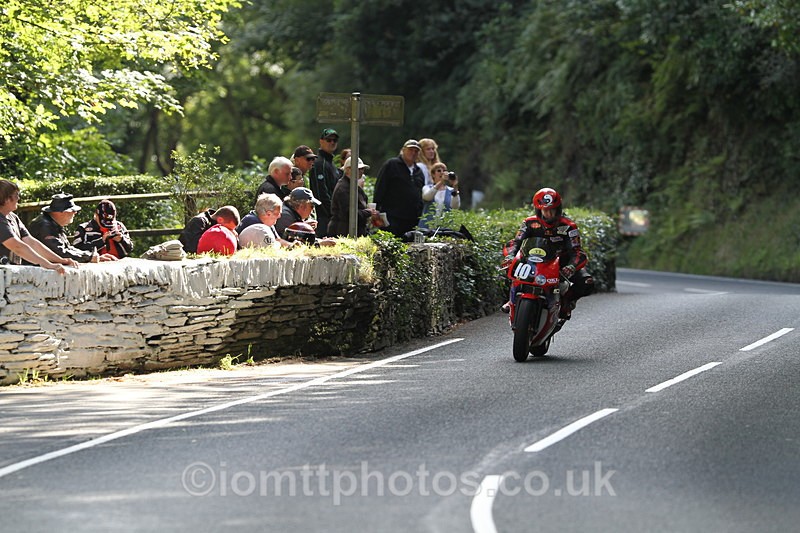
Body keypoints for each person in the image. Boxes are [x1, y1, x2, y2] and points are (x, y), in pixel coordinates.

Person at [502, 187, 594, 319]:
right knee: (510, 268)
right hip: (533, 261)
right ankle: (511, 300)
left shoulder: (569, 226)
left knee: (587, 282)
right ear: (539, 210)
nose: (549, 214)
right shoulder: (529, 223)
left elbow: (577, 251)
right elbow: (515, 243)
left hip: (561, 263)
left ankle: (567, 301)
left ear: (559, 208)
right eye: (545, 210)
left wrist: (571, 267)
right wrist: (510, 256)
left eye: (553, 210)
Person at [0, 180, 78, 274]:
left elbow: (31, 243)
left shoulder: (12, 217)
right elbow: (17, 246)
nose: (18, 198)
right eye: (16, 195)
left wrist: (61, 260)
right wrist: (46, 264)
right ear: (6, 199)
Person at [29, 193, 117, 263]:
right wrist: (89, 257)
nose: (75, 213)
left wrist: (90, 255)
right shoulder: (45, 226)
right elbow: (60, 252)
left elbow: (67, 248)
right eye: (72, 211)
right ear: (62, 213)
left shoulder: (52, 222)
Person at [373, 139, 425, 238]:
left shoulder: (419, 171)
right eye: (410, 150)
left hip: (412, 219)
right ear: (403, 150)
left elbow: (419, 194)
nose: (413, 153)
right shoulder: (391, 165)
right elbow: (380, 187)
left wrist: (419, 212)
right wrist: (376, 210)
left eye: (416, 151)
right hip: (392, 217)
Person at [328, 157, 378, 237]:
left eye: (362, 169)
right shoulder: (343, 188)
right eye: (358, 169)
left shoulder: (352, 185)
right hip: (342, 233)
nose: (361, 171)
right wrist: (368, 212)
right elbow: (349, 213)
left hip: (350, 231)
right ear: (348, 170)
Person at [309, 128, 340, 238]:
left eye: (334, 140)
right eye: (329, 140)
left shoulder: (331, 164)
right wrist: (332, 213)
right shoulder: (319, 163)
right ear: (321, 141)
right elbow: (320, 193)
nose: (332, 142)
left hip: (333, 218)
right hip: (324, 218)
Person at [419, 162, 461, 228]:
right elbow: (427, 197)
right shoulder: (427, 187)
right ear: (433, 174)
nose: (442, 173)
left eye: (444, 171)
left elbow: (455, 207)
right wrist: (441, 182)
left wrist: (455, 186)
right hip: (427, 228)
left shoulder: (451, 191)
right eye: (439, 171)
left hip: (444, 229)